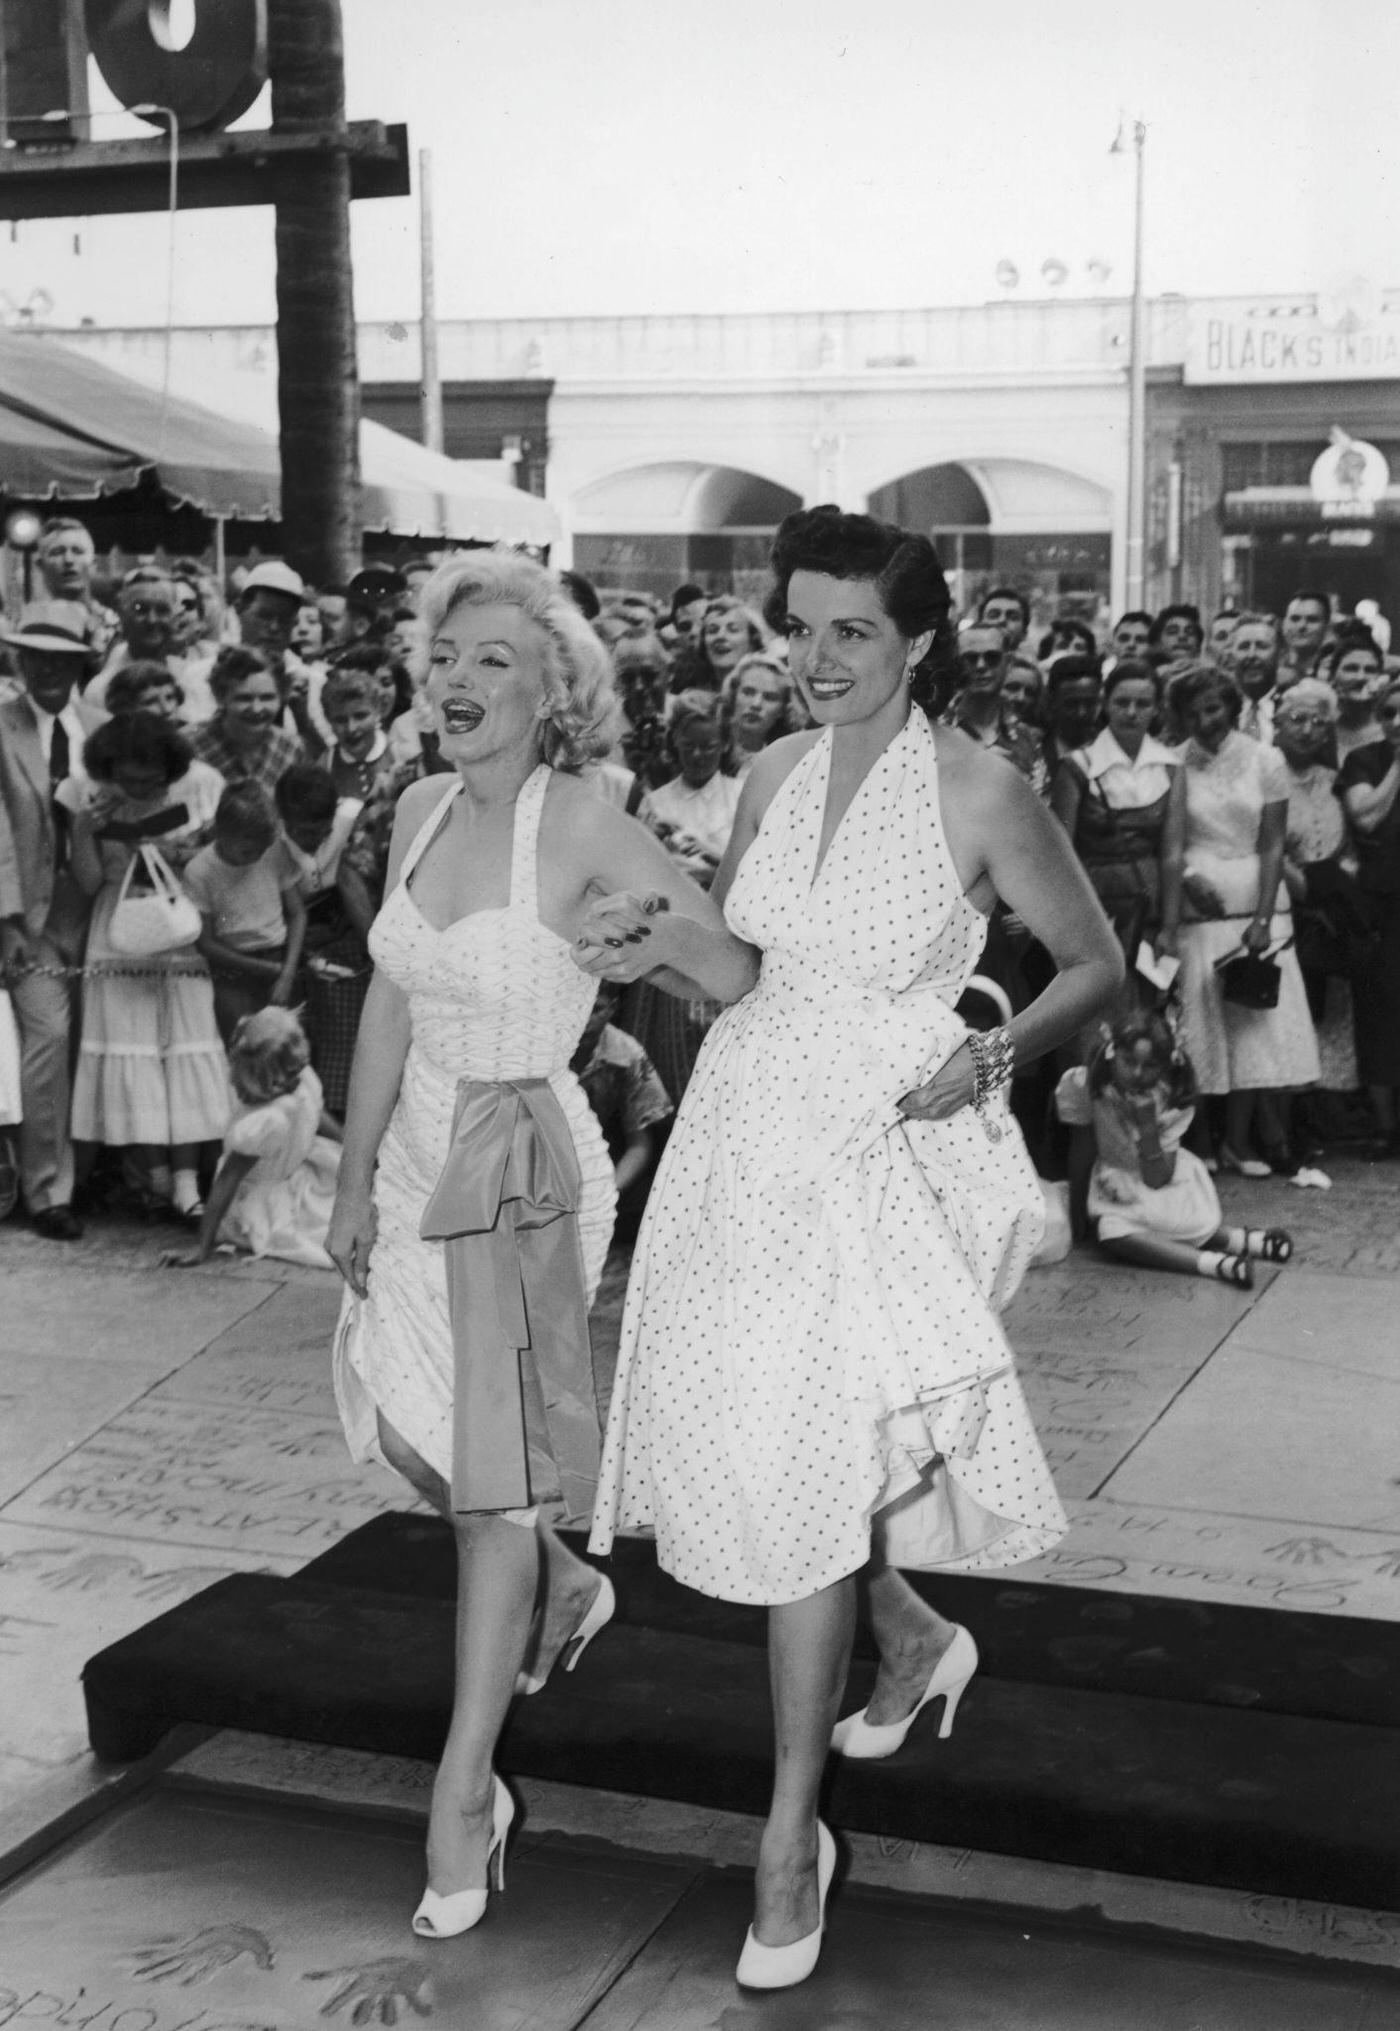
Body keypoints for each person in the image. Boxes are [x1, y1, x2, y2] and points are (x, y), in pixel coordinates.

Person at [585, 506, 1121, 1990]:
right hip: (744, 1135)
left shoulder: (981, 789)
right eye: (801, 626)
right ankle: (908, 1629)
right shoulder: (765, 771)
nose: (816, 660)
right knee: (759, 1453)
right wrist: (663, 946)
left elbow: (1096, 964)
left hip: (880, 1145)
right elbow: (753, 968)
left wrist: (992, 1046)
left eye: (853, 633)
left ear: (921, 641)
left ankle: (785, 1836)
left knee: (812, 1471)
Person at [324, 550, 751, 1940]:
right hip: (410, 1154)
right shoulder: (417, 807)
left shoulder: (586, 819)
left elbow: (735, 968)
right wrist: (347, 1172)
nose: (457, 680)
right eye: (446, 657)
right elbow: (392, 1000)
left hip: (521, 1162)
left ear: (556, 688)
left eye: (494, 659)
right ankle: (567, 1577)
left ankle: (462, 1794)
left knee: (490, 1494)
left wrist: (650, 942)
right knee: (403, 1427)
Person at [64, 712, 229, 1222]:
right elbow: (90, 884)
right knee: (130, 1052)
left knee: (183, 1049)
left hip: (177, 929)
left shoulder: (201, 787)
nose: (139, 787)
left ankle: (184, 1183)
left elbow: (217, 865)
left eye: (151, 778)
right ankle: (154, 1177)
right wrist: (84, 832)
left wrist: (183, 852)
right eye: (128, 778)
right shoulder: (89, 796)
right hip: (117, 933)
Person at [1168, 665, 1320, 1175]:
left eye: (1212, 709)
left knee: (1254, 1029)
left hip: (1257, 907)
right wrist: (1187, 875)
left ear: (1231, 708)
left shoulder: (1266, 759)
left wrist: (1262, 916)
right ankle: (1203, 1142)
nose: (1204, 720)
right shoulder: (1172, 762)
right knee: (1203, 1026)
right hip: (1199, 908)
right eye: (1192, 713)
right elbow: (1167, 841)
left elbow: (1273, 842)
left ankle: (1238, 1141)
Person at [0, 605, 107, 1237]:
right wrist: (6, 922)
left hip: (98, 910)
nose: (46, 668)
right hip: (30, 917)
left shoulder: (102, 727)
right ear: (18, 661)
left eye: (59, 658)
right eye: (34, 656)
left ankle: (92, 1174)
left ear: (78, 664)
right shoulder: (1, 727)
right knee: (49, 1038)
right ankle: (47, 1191)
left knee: (95, 1043)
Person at [1058, 1009, 1291, 1288]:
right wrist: (1077, 1216)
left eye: (1150, 1066)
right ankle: (1216, 1264)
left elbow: (1158, 1178)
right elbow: (1082, 1149)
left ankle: (1237, 1240)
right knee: (1114, 1233)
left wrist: (1147, 1127)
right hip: (1115, 1182)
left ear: (1166, 1065)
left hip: (1160, 1177)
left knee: (1180, 1222)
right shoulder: (1088, 1085)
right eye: (1128, 1061)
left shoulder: (1173, 1097)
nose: (1137, 1073)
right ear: (1112, 1051)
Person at [1050, 660, 1184, 1010]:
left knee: (1145, 1013)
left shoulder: (1170, 767)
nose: (1131, 712)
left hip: (1148, 901)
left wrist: (1170, 927)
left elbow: (1171, 854)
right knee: (1093, 1014)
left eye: (1143, 704)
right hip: (1094, 902)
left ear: (1156, 708)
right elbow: (1061, 853)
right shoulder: (1078, 766)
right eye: (1122, 702)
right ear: (1105, 704)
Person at [165, 1007, 341, 1270]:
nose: (304, 1057)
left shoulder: (301, 1077)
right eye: (296, 1061)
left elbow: (315, 1111)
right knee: (333, 1238)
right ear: (276, 1071)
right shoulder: (268, 1121)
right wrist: (202, 1246)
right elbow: (228, 1178)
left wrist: (349, 1143)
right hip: (259, 1199)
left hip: (296, 1174)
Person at [184, 781, 306, 1043]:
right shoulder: (200, 871)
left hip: (280, 960)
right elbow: (206, 943)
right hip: (233, 971)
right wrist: (263, 968)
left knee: (289, 1048)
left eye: (264, 849)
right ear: (221, 833)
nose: (257, 856)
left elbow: (298, 914)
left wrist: (286, 972)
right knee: (244, 1049)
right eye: (249, 850)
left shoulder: (274, 853)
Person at [1337, 675, 1400, 1155]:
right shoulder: (1364, 760)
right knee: (1380, 1015)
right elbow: (1367, 817)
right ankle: (1385, 1126)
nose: (1397, 722)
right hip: (1382, 905)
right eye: (1389, 713)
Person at [189, 645, 304, 797]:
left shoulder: (290, 747)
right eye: (244, 698)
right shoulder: (190, 747)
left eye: (267, 697)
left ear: (281, 697)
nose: (256, 709)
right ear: (220, 696)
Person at [719, 652, 801, 776]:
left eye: (770, 697)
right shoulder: (708, 751)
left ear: (781, 710)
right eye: (748, 692)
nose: (756, 704)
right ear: (733, 695)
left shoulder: (785, 768)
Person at [1324, 631, 1388, 761]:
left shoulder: (1392, 730)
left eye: (1370, 670)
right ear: (1332, 677)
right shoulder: (1322, 728)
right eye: (1351, 668)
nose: (1361, 677)